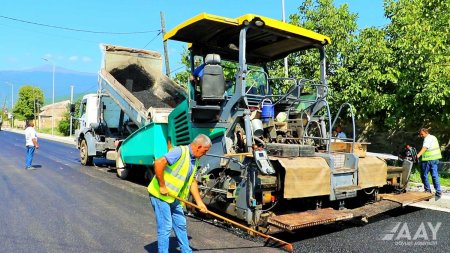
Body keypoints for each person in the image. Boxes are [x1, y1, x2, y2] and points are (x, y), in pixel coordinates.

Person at [147, 134, 211, 253]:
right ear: (199, 146)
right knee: (166, 227)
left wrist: (199, 203)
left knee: (181, 224)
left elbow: (192, 181)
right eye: (205, 150)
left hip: (174, 197)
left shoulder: (194, 160)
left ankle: (186, 251)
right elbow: (158, 163)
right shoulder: (180, 152)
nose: (205, 154)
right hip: (160, 195)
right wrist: (162, 186)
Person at [416, 128, 442, 198]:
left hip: (428, 160)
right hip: (435, 159)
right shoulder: (433, 137)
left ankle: (427, 190)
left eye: (422, 134)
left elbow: (425, 147)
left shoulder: (427, 139)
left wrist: (418, 155)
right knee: (434, 175)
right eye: (420, 134)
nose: (421, 136)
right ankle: (438, 191)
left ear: (426, 132)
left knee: (424, 175)